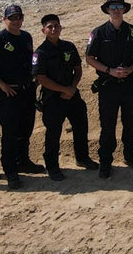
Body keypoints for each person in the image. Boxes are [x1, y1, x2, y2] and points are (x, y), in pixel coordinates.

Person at [0, 4, 43, 191]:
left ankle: (23, 161)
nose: (16, 21)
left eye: (19, 17)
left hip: (27, 90)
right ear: (5, 19)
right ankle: (10, 171)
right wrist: (1, 84)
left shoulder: (26, 37)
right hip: (10, 93)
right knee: (10, 133)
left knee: (26, 128)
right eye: (12, 17)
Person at [85, 0, 133, 178]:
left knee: (130, 123)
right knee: (108, 125)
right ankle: (106, 162)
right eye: (113, 7)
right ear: (107, 10)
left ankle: (131, 156)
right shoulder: (98, 32)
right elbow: (89, 58)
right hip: (108, 87)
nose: (117, 10)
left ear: (125, 9)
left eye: (120, 7)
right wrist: (109, 71)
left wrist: (131, 68)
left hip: (129, 85)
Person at [31, 13, 98, 181]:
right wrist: (64, 89)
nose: (54, 29)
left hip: (72, 95)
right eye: (50, 27)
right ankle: (52, 166)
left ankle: (82, 158)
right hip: (52, 99)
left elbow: (78, 69)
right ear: (43, 30)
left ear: (61, 28)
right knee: (53, 133)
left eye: (56, 26)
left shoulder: (69, 46)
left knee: (81, 127)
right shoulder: (40, 52)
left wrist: (72, 88)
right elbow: (41, 78)